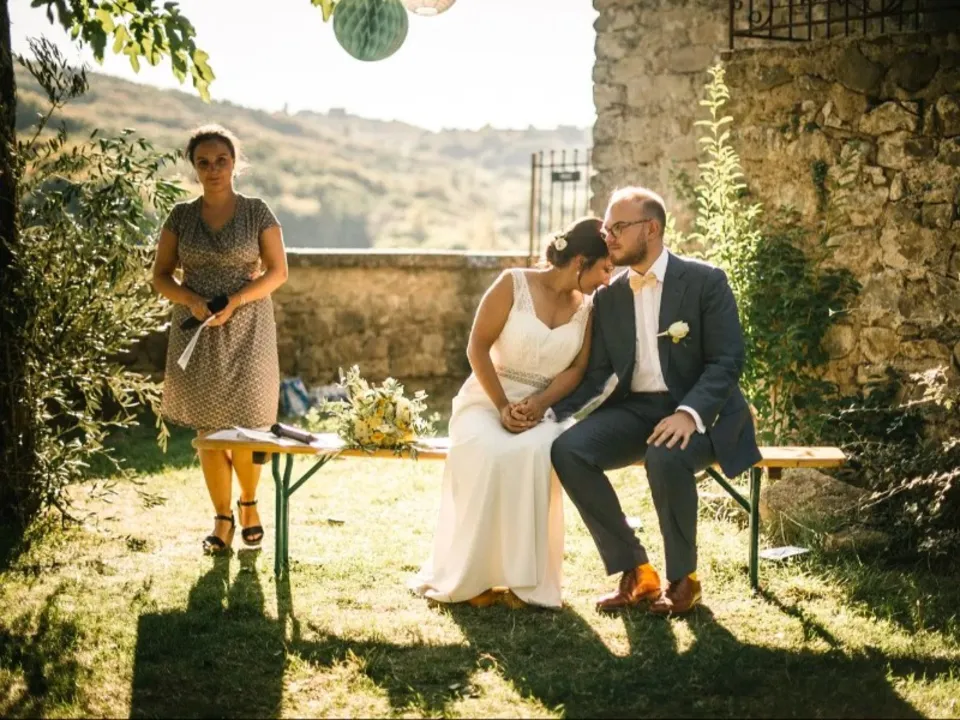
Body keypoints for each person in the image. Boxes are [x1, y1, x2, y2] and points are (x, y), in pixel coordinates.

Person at [551, 186, 761, 615]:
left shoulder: (705, 281)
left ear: (651, 228)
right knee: (569, 449)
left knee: (665, 455)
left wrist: (689, 413)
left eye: (618, 228)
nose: (608, 238)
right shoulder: (609, 296)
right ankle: (636, 571)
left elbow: (726, 360)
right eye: (607, 229)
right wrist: (548, 413)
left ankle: (684, 580)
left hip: (705, 412)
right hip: (637, 410)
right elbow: (598, 375)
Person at [411, 217, 614, 609]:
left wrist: (539, 404)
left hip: (544, 408)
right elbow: (477, 347)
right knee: (488, 451)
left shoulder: (589, 308)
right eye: (605, 268)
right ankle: (474, 577)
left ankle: (525, 582)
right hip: (487, 400)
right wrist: (503, 406)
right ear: (580, 261)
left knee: (537, 451)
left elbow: (577, 369)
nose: (608, 279)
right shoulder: (512, 283)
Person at [151, 124, 289, 553]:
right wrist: (192, 301)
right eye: (204, 162)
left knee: (247, 427)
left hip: (249, 328)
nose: (213, 169)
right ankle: (222, 519)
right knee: (210, 432)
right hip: (198, 330)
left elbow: (278, 272)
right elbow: (160, 276)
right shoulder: (180, 216)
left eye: (221, 161)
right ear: (194, 167)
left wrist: (236, 300)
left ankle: (248, 504)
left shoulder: (257, 212)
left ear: (234, 164)